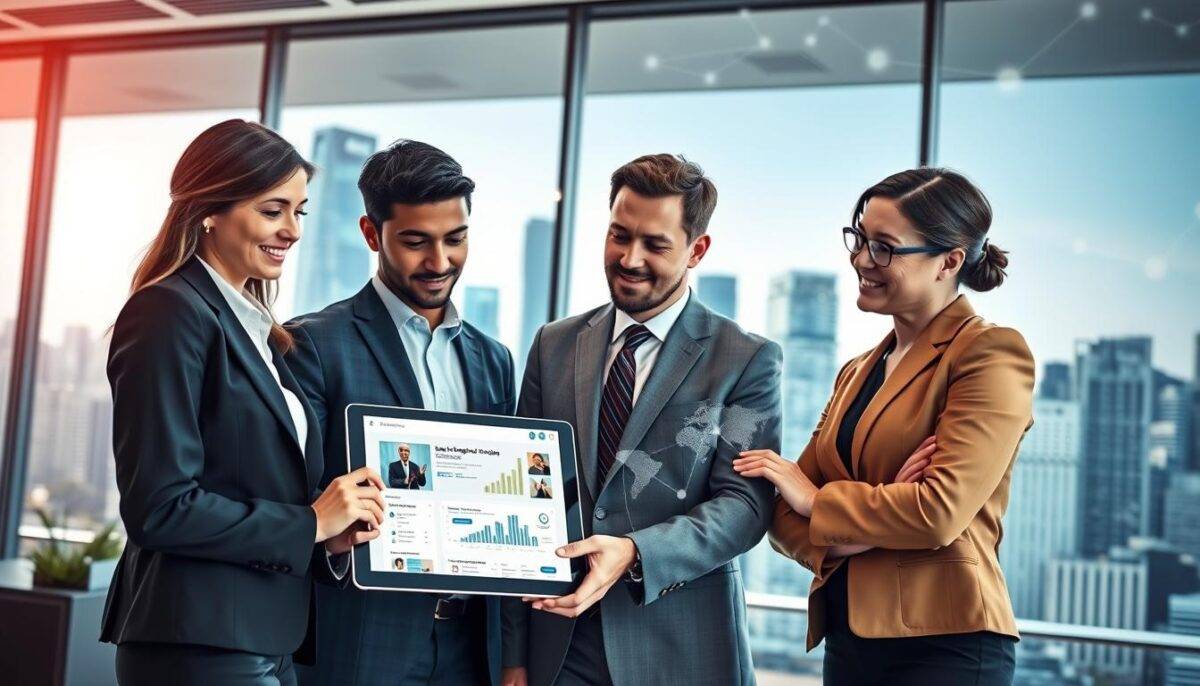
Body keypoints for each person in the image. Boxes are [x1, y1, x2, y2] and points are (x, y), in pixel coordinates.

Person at [100, 119, 386, 685]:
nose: (292, 230)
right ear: (211, 208)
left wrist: (328, 533)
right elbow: (159, 507)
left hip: (263, 638)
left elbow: (254, 483)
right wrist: (307, 522)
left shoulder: (258, 330)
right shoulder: (168, 311)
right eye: (272, 209)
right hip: (198, 641)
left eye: (299, 212)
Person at [736, 168, 1032, 685]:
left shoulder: (988, 353)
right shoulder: (857, 370)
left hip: (946, 644)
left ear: (949, 261)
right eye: (860, 241)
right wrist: (854, 532)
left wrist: (818, 502)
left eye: (885, 248)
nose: (861, 261)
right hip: (850, 640)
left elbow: (938, 513)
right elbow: (781, 515)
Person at [502, 154, 782, 686]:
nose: (629, 259)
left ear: (696, 249)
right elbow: (522, 494)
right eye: (618, 235)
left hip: (679, 647)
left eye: (655, 244)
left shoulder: (745, 360)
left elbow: (744, 505)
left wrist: (635, 551)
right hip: (556, 646)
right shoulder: (554, 346)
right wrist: (513, 656)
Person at [287, 139, 515, 686]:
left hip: (471, 650)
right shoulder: (314, 344)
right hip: (364, 641)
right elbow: (290, 506)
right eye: (416, 242)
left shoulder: (494, 360)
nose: (440, 262)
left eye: (455, 240)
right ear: (372, 234)